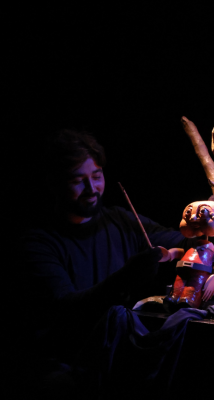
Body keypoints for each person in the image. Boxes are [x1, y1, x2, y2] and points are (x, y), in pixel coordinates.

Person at [21, 130, 199, 365]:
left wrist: (209, 220)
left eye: (96, 176)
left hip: (119, 356)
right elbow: (66, 311)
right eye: (78, 180)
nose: (91, 188)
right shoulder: (39, 242)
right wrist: (125, 278)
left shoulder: (120, 220)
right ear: (55, 183)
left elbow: (182, 241)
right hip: (66, 364)